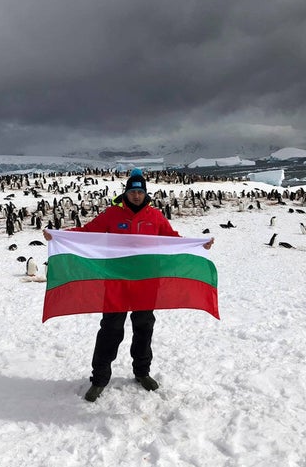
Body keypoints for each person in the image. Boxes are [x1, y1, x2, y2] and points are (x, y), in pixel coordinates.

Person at [43, 169, 214, 402]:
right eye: (132, 191)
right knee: (110, 330)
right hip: (117, 282)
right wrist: (59, 236)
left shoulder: (155, 217)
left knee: (144, 328)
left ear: (145, 194)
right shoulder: (112, 214)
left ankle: (142, 372)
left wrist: (198, 245)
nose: (136, 196)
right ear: (126, 192)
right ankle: (99, 379)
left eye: (140, 192)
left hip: (146, 283)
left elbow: (173, 239)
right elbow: (87, 232)